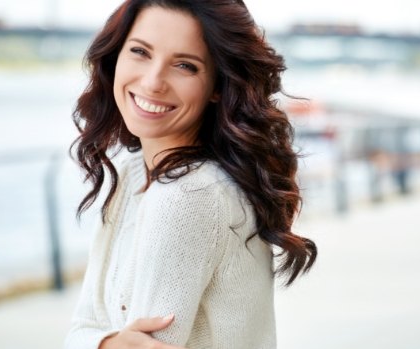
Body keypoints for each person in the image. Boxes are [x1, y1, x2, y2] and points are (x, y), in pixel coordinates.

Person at [64, 0, 317, 348]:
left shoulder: (190, 195)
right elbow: (83, 325)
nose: (153, 82)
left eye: (185, 65)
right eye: (140, 51)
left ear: (217, 86)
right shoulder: (131, 172)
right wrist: (107, 343)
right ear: (115, 57)